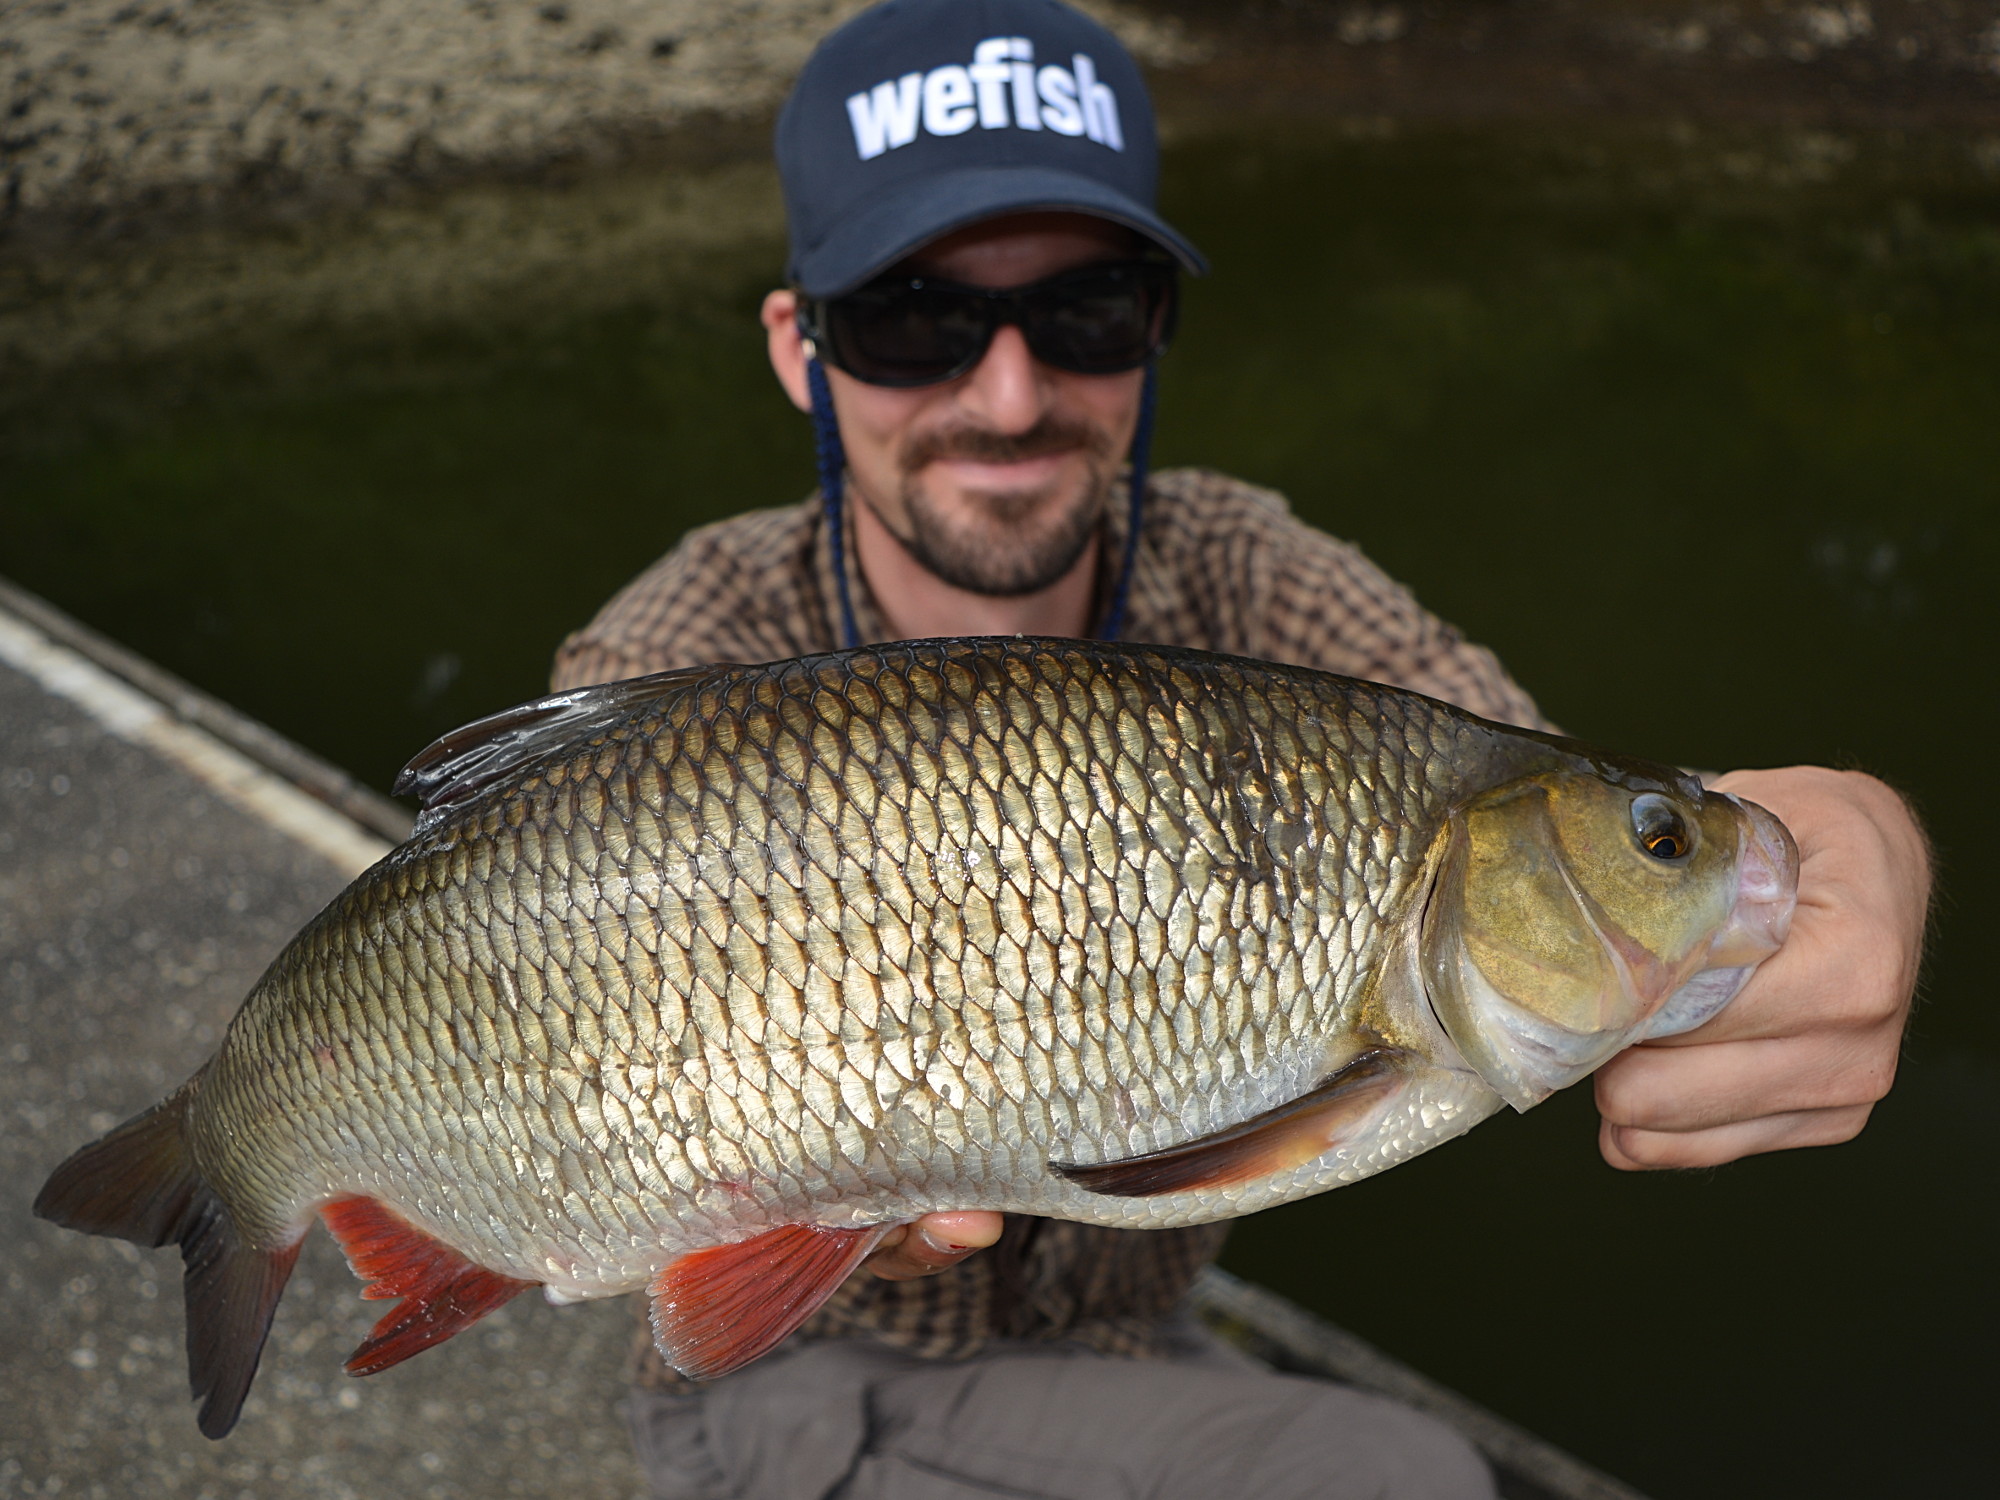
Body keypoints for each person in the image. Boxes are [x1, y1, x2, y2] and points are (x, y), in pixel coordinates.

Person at [552, 2, 1932, 1495]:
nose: (1008, 397)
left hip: (1136, 1353)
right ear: (802, 349)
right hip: (798, 1376)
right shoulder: (672, 655)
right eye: (911, 318)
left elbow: (1521, 786)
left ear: (1156, 323)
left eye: (1085, 310)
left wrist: (1867, 836)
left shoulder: (1249, 575)